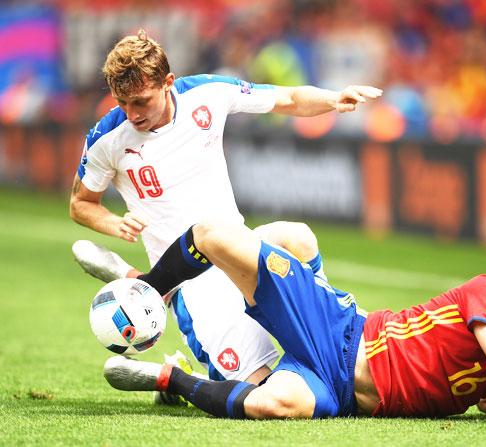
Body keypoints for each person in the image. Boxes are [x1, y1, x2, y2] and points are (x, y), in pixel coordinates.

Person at [88, 219, 486, 423]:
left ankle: (166, 379)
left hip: (343, 394)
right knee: (216, 234)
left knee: (268, 405)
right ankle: (147, 289)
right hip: (341, 335)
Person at [69, 29, 383, 388]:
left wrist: (334, 98)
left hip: (241, 247)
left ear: (168, 82)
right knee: (262, 392)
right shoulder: (106, 139)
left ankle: (329, 319)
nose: (131, 114)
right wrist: (115, 223)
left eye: (140, 101)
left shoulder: (207, 93)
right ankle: (175, 378)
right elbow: (81, 204)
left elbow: (290, 98)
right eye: (121, 103)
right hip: (190, 283)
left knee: (297, 236)